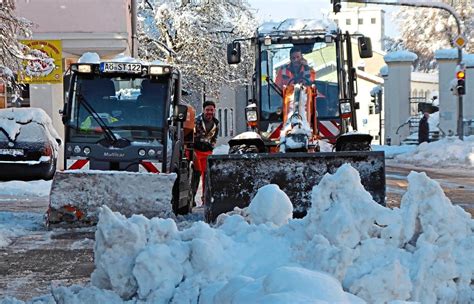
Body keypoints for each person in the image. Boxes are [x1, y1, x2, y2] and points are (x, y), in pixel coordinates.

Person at [191, 100, 219, 206]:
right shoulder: (196, 121)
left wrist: (211, 147)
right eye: (207, 110)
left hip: (207, 152)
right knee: (196, 175)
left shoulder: (216, 123)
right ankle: (192, 197)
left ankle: (205, 199)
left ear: (214, 110)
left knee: (207, 177)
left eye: (211, 110)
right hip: (196, 152)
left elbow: (214, 138)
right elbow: (192, 136)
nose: (209, 112)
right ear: (203, 110)